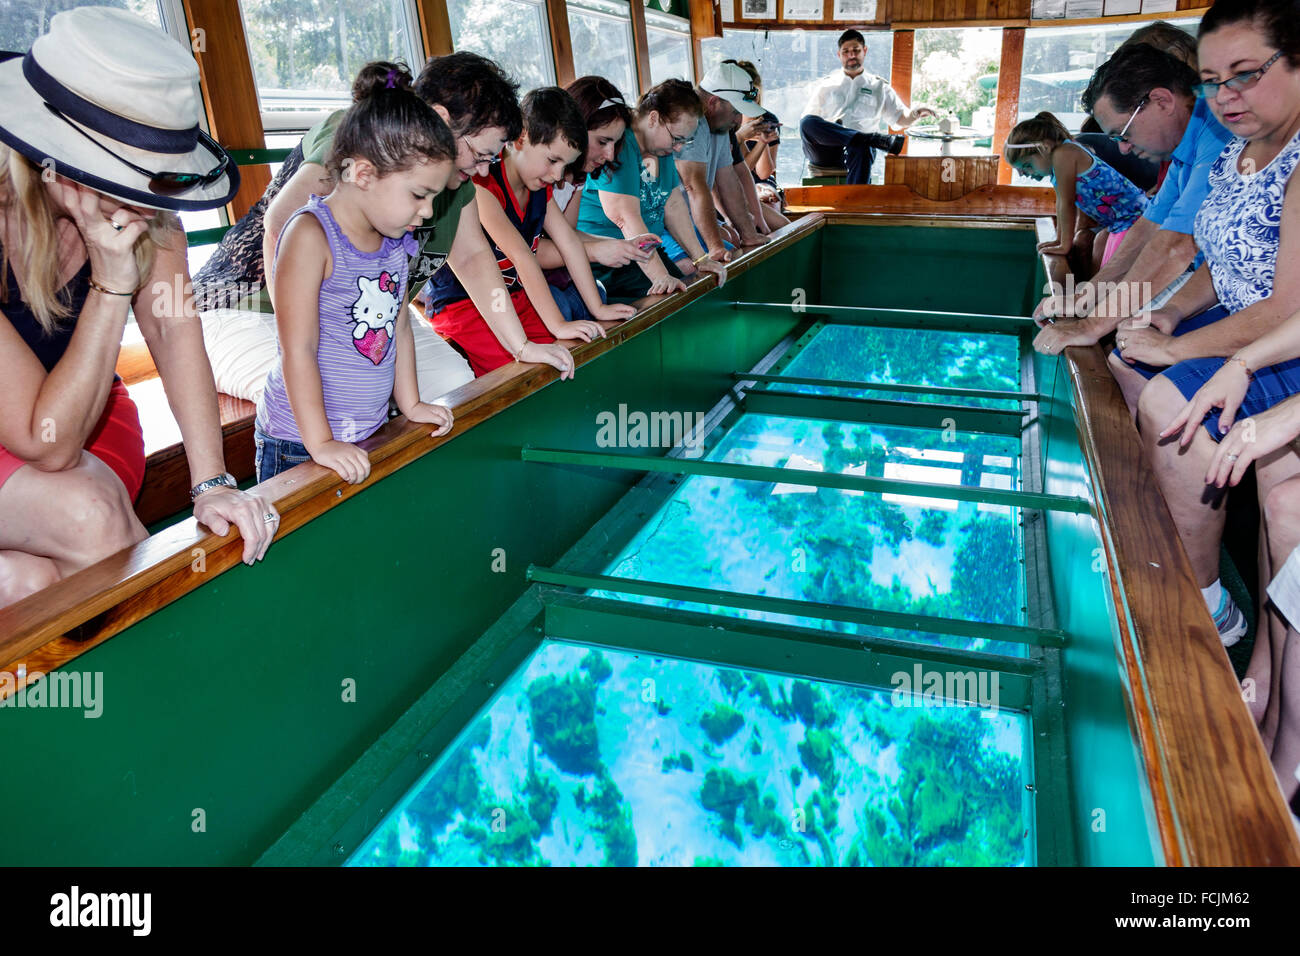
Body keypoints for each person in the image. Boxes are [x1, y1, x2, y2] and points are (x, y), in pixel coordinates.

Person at [0, 7, 278, 609]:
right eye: (120, 172)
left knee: (30, 583)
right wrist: (110, 283)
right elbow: (44, 443)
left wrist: (212, 483)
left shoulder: (150, 213)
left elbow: (177, 333)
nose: (141, 195)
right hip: (38, 432)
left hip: (88, 412)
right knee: (89, 518)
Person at [1123, 0, 1300, 655]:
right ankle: (1170, 521)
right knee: (1125, 360)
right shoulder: (1236, 157)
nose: (1225, 95)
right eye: (1212, 80)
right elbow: (1213, 261)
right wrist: (1168, 311)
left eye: (1246, 74)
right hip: (1242, 316)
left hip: (1279, 337)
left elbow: (1285, 308)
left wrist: (1175, 346)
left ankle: (1204, 600)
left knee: (1170, 397)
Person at [263, 53, 577, 384]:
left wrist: (521, 346)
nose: (484, 169)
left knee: (453, 381)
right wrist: (301, 344)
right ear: (443, 120)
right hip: (267, 310)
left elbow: (472, 258)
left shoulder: (456, 181)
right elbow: (278, 226)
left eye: (492, 158)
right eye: (480, 154)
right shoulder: (366, 134)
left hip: (373, 316)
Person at [257, 63, 456, 485]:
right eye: (420, 195)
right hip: (298, 441)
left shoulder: (394, 240)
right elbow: (299, 349)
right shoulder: (311, 236)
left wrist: (412, 402)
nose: (425, 213)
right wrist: (321, 442)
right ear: (364, 173)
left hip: (367, 429)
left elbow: (399, 326)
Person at [1033, 42, 1232, 353]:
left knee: (1128, 351)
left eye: (1122, 134)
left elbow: (1177, 247)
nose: (1123, 149)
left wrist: (1092, 325)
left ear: (1161, 101)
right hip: (1211, 277)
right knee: (1126, 342)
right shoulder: (1186, 145)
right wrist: (1087, 295)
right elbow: (1148, 228)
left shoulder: (1221, 131)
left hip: (1241, 287)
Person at [423, 87, 635, 376]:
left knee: (561, 353)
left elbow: (569, 241)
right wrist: (558, 323)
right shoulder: (484, 186)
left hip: (513, 295)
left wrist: (597, 307)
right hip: (463, 305)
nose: (558, 175)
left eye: (566, 165)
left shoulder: (540, 187)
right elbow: (522, 256)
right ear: (521, 139)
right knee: (517, 369)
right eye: (552, 160)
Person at [575, 79, 726, 306]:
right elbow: (625, 218)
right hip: (607, 257)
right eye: (677, 138)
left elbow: (673, 205)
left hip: (645, 251)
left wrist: (701, 258)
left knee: (692, 292)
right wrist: (659, 277)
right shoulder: (619, 144)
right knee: (668, 304)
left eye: (685, 141)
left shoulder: (661, 151)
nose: (679, 148)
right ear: (654, 118)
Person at [533, 76, 658, 321]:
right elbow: (529, 248)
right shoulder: (539, 177)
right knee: (566, 308)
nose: (610, 155)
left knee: (596, 297)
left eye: (615, 143)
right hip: (526, 277)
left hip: (556, 270)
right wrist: (595, 251)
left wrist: (623, 245)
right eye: (602, 142)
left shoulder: (576, 177)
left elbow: (567, 234)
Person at [1003, 112, 1150, 266]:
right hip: (1119, 222)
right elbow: (1061, 202)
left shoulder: (1064, 154)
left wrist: (1064, 246)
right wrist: (1059, 240)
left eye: (1028, 166)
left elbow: (1067, 202)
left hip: (1133, 219)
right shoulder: (1059, 160)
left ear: (1045, 148)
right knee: (1100, 247)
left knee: (1110, 270)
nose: (1027, 174)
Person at [663, 61, 770, 270]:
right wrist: (715, 248)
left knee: (736, 240)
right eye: (736, 112)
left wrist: (749, 234)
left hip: (687, 216)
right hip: (665, 221)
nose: (739, 121)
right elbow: (694, 187)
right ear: (713, 102)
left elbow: (728, 180)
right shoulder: (692, 122)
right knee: (694, 265)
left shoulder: (720, 126)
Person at [799, 29, 935, 184]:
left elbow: (900, 119)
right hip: (827, 151)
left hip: (859, 153)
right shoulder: (826, 85)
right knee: (806, 122)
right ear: (839, 55)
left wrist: (915, 114)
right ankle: (870, 138)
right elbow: (810, 127)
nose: (851, 55)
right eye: (846, 51)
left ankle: (857, 200)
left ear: (864, 51)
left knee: (862, 146)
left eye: (856, 50)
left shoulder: (879, 87)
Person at [723, 59, 791, 234]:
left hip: (753, 183)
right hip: (732, 186)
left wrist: (763, 142)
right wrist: (741, 136)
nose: (753, 99)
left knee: (786, 227)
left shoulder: (766, 118)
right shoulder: (727, 124)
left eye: (755, 94)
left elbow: (762, 172)